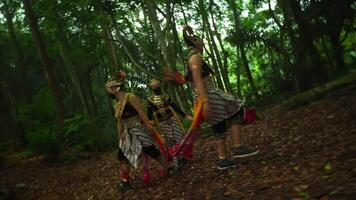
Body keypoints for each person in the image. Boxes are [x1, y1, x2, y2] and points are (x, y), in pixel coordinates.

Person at [166, 25, 259, 170]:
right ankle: (237, 147)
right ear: (195, 42)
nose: (202, 43)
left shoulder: (192, 57)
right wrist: (206, 101)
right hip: (207, 93)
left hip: (206, 93)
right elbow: (197, 79)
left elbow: (192, 77)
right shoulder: (195, 57)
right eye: (200, 41)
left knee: (218, 122)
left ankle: (223, 159)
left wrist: (185, 80)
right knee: (237, 109)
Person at [106, 71, 172, 191]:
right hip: (127, 132)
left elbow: (141, 113)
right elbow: (119, 122)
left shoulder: (130, 97)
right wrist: (120, 136)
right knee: (122, 156)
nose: (108, 91)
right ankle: (125, 182)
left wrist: (150, 127)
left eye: (109, 88)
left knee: (151, 151)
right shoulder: (117, 104)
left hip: (138, 128)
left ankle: (168, 168)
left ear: (116, 87)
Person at [147, 79, 193, 168]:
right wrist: (150, 126)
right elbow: (149, 115)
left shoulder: (166, 96)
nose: (157, 87)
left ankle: (183, 158)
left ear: (160, 85)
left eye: (158, 85)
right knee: (170, 141)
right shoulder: (150, 100)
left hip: (172, 119)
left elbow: (174, 106)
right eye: (154, 86)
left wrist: (185, 116)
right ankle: (177, 162)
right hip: (162, 123)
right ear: (152, 88)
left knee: (179, 137)